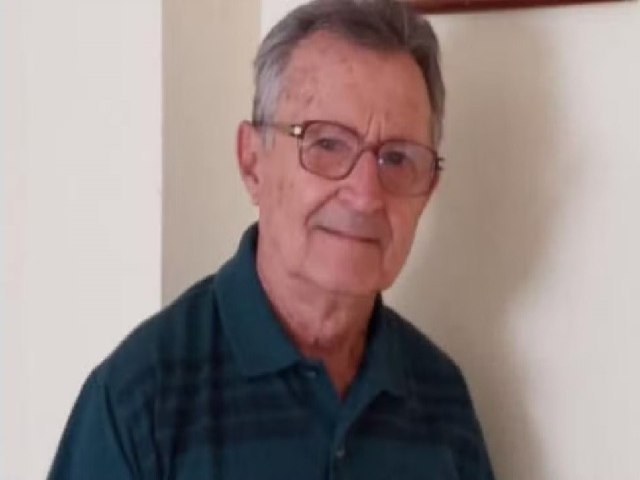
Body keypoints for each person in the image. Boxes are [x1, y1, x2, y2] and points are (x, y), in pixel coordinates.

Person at [48, 0, 495, 478]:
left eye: (398, 158)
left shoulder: (441, 399)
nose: (366, 195)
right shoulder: (140, 401)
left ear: (428, 190)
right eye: (327, 143)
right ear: (252, 162)